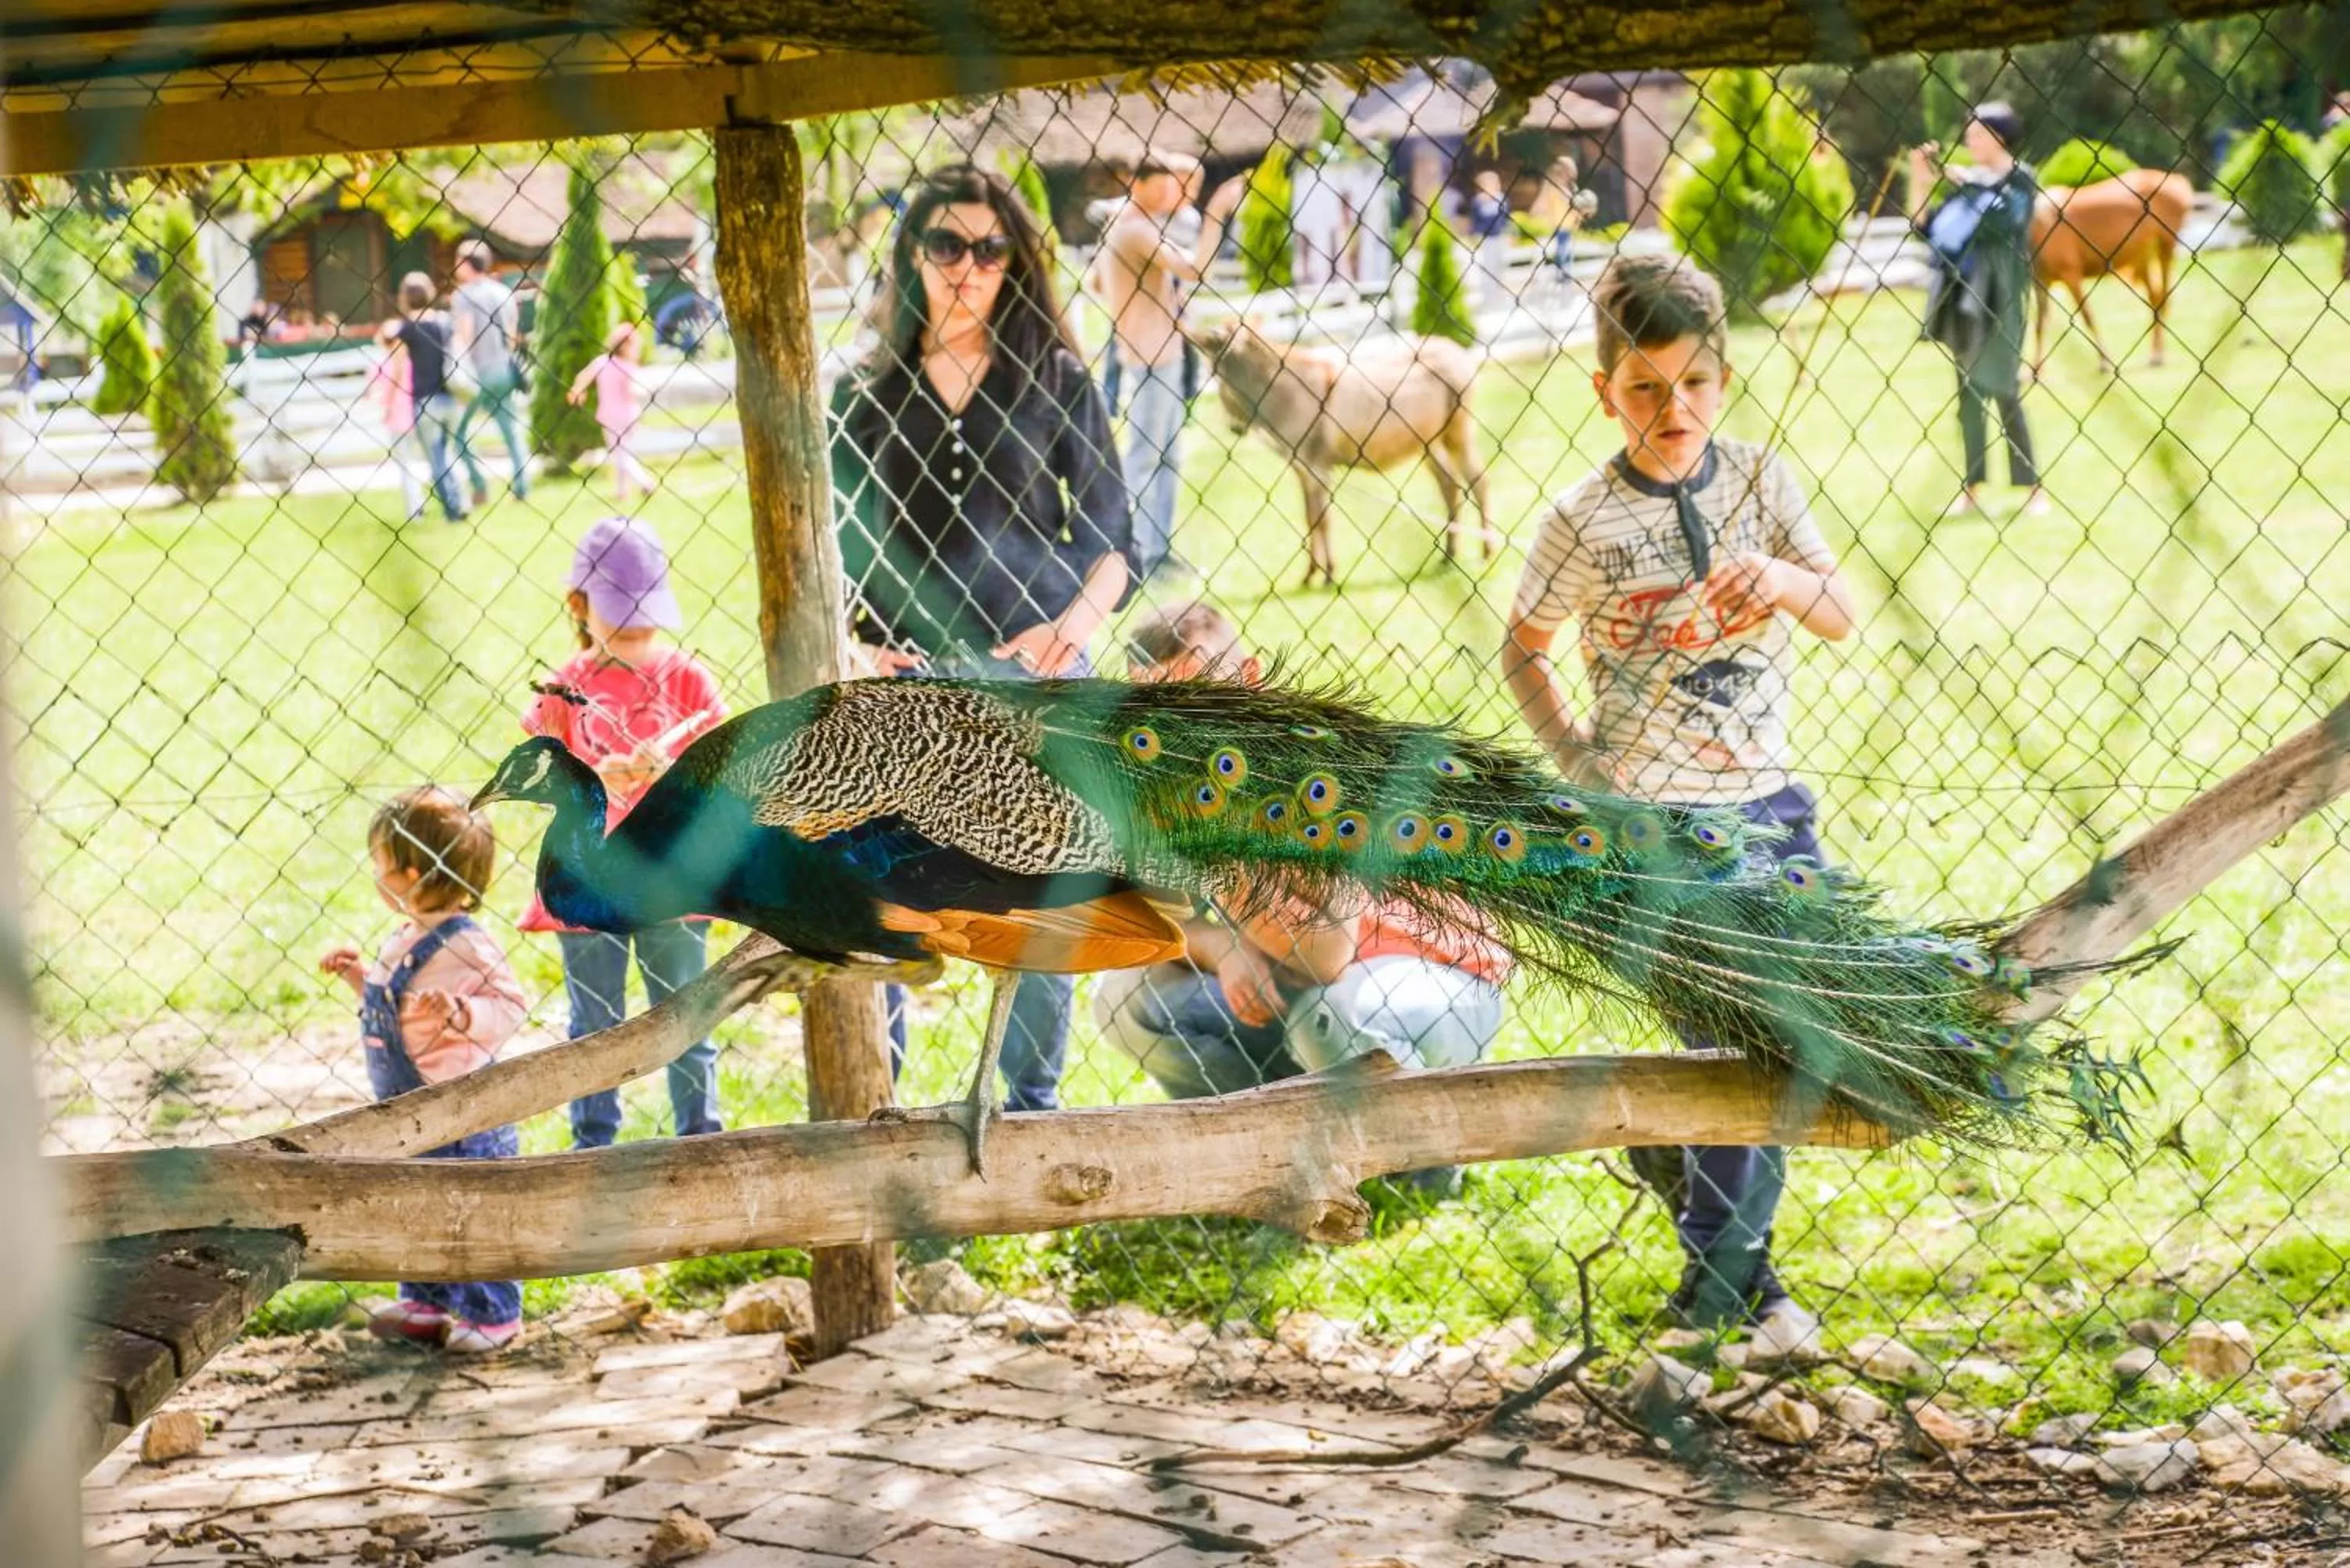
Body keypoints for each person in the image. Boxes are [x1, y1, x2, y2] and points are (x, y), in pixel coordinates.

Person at [1501, 253, 1856, 1342]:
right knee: (1736, 1034)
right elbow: (1523, 647)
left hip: (1769, 807)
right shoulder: (1580, 521)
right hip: (1657, 824)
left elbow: (1840, 611)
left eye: (1695, 382)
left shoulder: (1761, 480)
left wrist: (1784, 582)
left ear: (1724, 379)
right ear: (1603, 391)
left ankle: (1694, 1198)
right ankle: (1730, 1284)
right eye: (1645, 388)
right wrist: (1576, 758)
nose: (1674, 408)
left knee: (1795, 1033)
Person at [830, 161, 1135, 1121]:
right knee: (879, 889)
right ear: (911, 256)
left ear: (1015, 262)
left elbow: (1115, 541)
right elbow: (826, 543)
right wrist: (849, 645)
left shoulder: (1054, 379)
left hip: (1031, 671)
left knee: (1044, 893)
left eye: (991, 249)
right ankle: (879, 1096)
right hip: (905, 677)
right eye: (947, 245)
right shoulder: (862, 391)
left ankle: (1032, 1104)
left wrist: (1071, 634)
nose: (968, 267)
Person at [1093, 603, 1513, 1194]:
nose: (1185, 720)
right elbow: (1146, 916)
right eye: (1161, 705)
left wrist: (1217, 859)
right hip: (1301, 987)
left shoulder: (1309, 766)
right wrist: (1225, 947)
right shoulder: (1157, 777)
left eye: (1202, 693)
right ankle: (1273, 1157)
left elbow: (1328, 956)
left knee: (1328, 1015)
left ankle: (1426, 1160)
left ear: (1251, 677)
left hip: (1426, 978)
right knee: (1125, 997)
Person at [522, 516, 728, 1149]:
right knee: (595, 1028)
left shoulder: (687, 681)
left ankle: (701, 1141)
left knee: (685, 1018)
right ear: (579, 606)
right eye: (623, 621)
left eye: (647, 621)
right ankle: (593, 1146)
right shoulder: (562, 690)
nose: (639, 636)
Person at [319, 787, 527, 1354]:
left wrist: (462, 1013)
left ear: (413, 874)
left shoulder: (469, 945)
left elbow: (511, 1006)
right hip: (408, 1106)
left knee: (471, 1209)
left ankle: (493, 1313)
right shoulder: (405, 935)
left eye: (381, 866)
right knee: (415, 1202)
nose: (375, 877)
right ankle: (426, 1302)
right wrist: (358, 978)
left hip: (461, 1114)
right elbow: (396, 1009)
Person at [1096, 150, 1245, 583]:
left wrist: (1153, 300)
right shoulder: (1136, 228)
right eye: (1162, 187)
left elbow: (1099, 282)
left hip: (1151, 353)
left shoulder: (1124, 225)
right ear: (1137, 184)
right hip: (1152, 357)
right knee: (1148, 459)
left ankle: (1155, 551)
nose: (1170, 195)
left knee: (1166, 457)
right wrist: (1216, 211)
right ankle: (1137, 556)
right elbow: (1196, 269)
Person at [1909, 103, 2047, 517]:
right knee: (1967, 394)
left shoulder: (2020, 178)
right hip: (1963, 294)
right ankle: (1972, 488)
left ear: (2000, 137)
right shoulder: (1968, 183)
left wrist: (1967, 183)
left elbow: (2004, 221)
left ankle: (2033, 488)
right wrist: (1921, 179)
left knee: (2005, 388)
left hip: (2001, 293)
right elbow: (1925, 227)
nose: (1969, 142)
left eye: (1978, 134)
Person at [375, 273, 468, 523]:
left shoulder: (408, 329)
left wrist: (388, 402)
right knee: (449, 453)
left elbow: (395, 361)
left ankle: (453, 508)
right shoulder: (443, 323)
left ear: (405, 298)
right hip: (451, 395)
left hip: (426, 400)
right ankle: (462, 499)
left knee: (436, 459)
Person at [449, 240, 530, 508]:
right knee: (511, 432)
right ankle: (522, 486)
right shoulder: (503, 292)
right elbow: (512, 335)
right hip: (504, 370)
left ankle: (479, 484)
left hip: (477, 373)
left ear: (466, 264)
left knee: (459, 433)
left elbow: (465, 335)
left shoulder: (463, 296)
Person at [567, 320, 656, 507]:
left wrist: (577, 390)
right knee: (623, 452)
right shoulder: (627, 367)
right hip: (629, 414)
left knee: (620, 454)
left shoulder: (602, 362)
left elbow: (583, 376)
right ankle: (622, 491)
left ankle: (645, 482)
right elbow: (635, 390)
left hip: (610, 415)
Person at [364, 334, 424, 520]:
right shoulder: (411, 362)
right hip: (416, 416)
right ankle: (419, 501)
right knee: (415, 461)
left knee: (405, 465)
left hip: (395, 418)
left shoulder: (381, 364)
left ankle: (414, 508)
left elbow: (369, 390)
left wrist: (383, 402)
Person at [1466, 169, 1515, 309]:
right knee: (1488, 269)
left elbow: (1507, 220)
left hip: (1500, 238)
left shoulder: (1501, 199)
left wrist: (1510, 234)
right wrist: (1475, 237)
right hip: (1486, 240)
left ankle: (1500, 297)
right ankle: (1488, 298)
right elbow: (1474, 223)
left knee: (1500, 268)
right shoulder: (1477, 202)